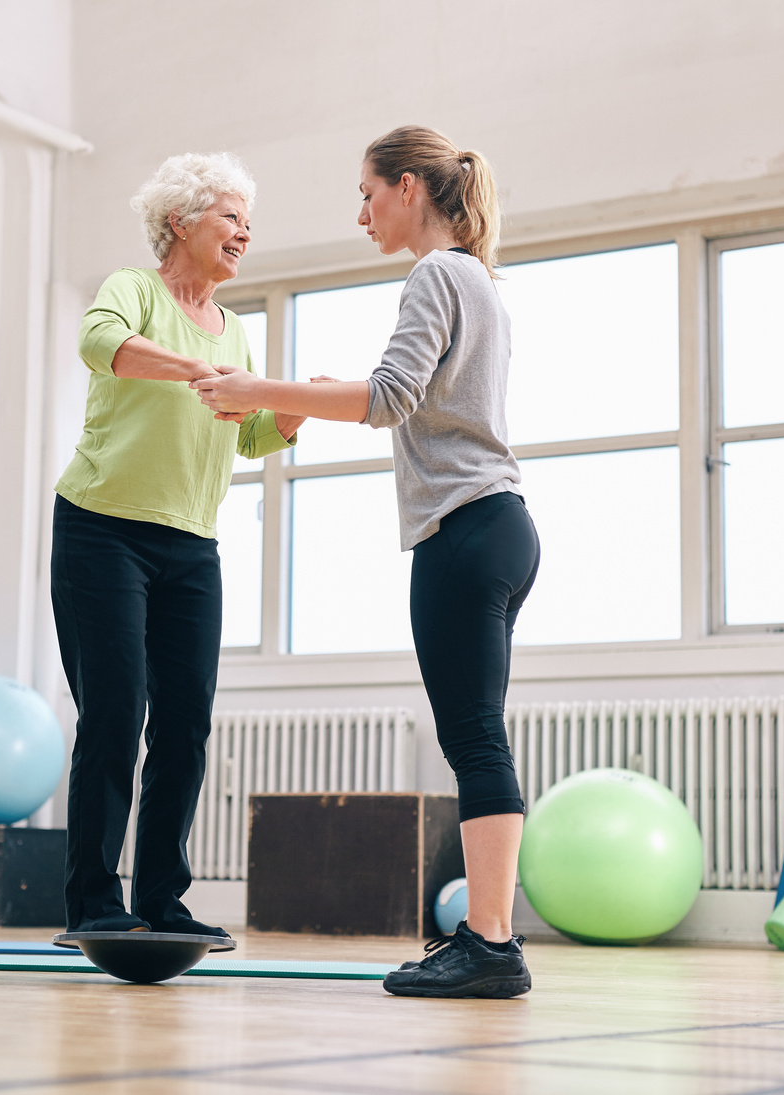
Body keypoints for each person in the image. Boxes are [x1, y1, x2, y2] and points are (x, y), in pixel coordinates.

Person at [193, 125, 539, 998]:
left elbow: (388, 398)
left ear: (411, 187)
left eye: (368, 193)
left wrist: (258, 390)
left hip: (463, 528)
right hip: (499, 523)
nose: (361, 213)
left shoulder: (436, 273)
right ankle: (492, 939)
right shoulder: (481, 281)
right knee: (478, 734)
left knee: (472, 739)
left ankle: (491, 943)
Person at [51, 152, 304, 940]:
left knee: (185, 721)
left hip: (191, 546)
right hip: (102, 530)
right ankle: (94, 901)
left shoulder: (236, 329)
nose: (244, 231)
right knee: (115, 713)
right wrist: (198, 370)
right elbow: (103, 345)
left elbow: (249, 433)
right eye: (229, 215)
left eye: (245, 218)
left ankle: (162, 899)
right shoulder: (134, 289)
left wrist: (290, 411)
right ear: (180, 221)